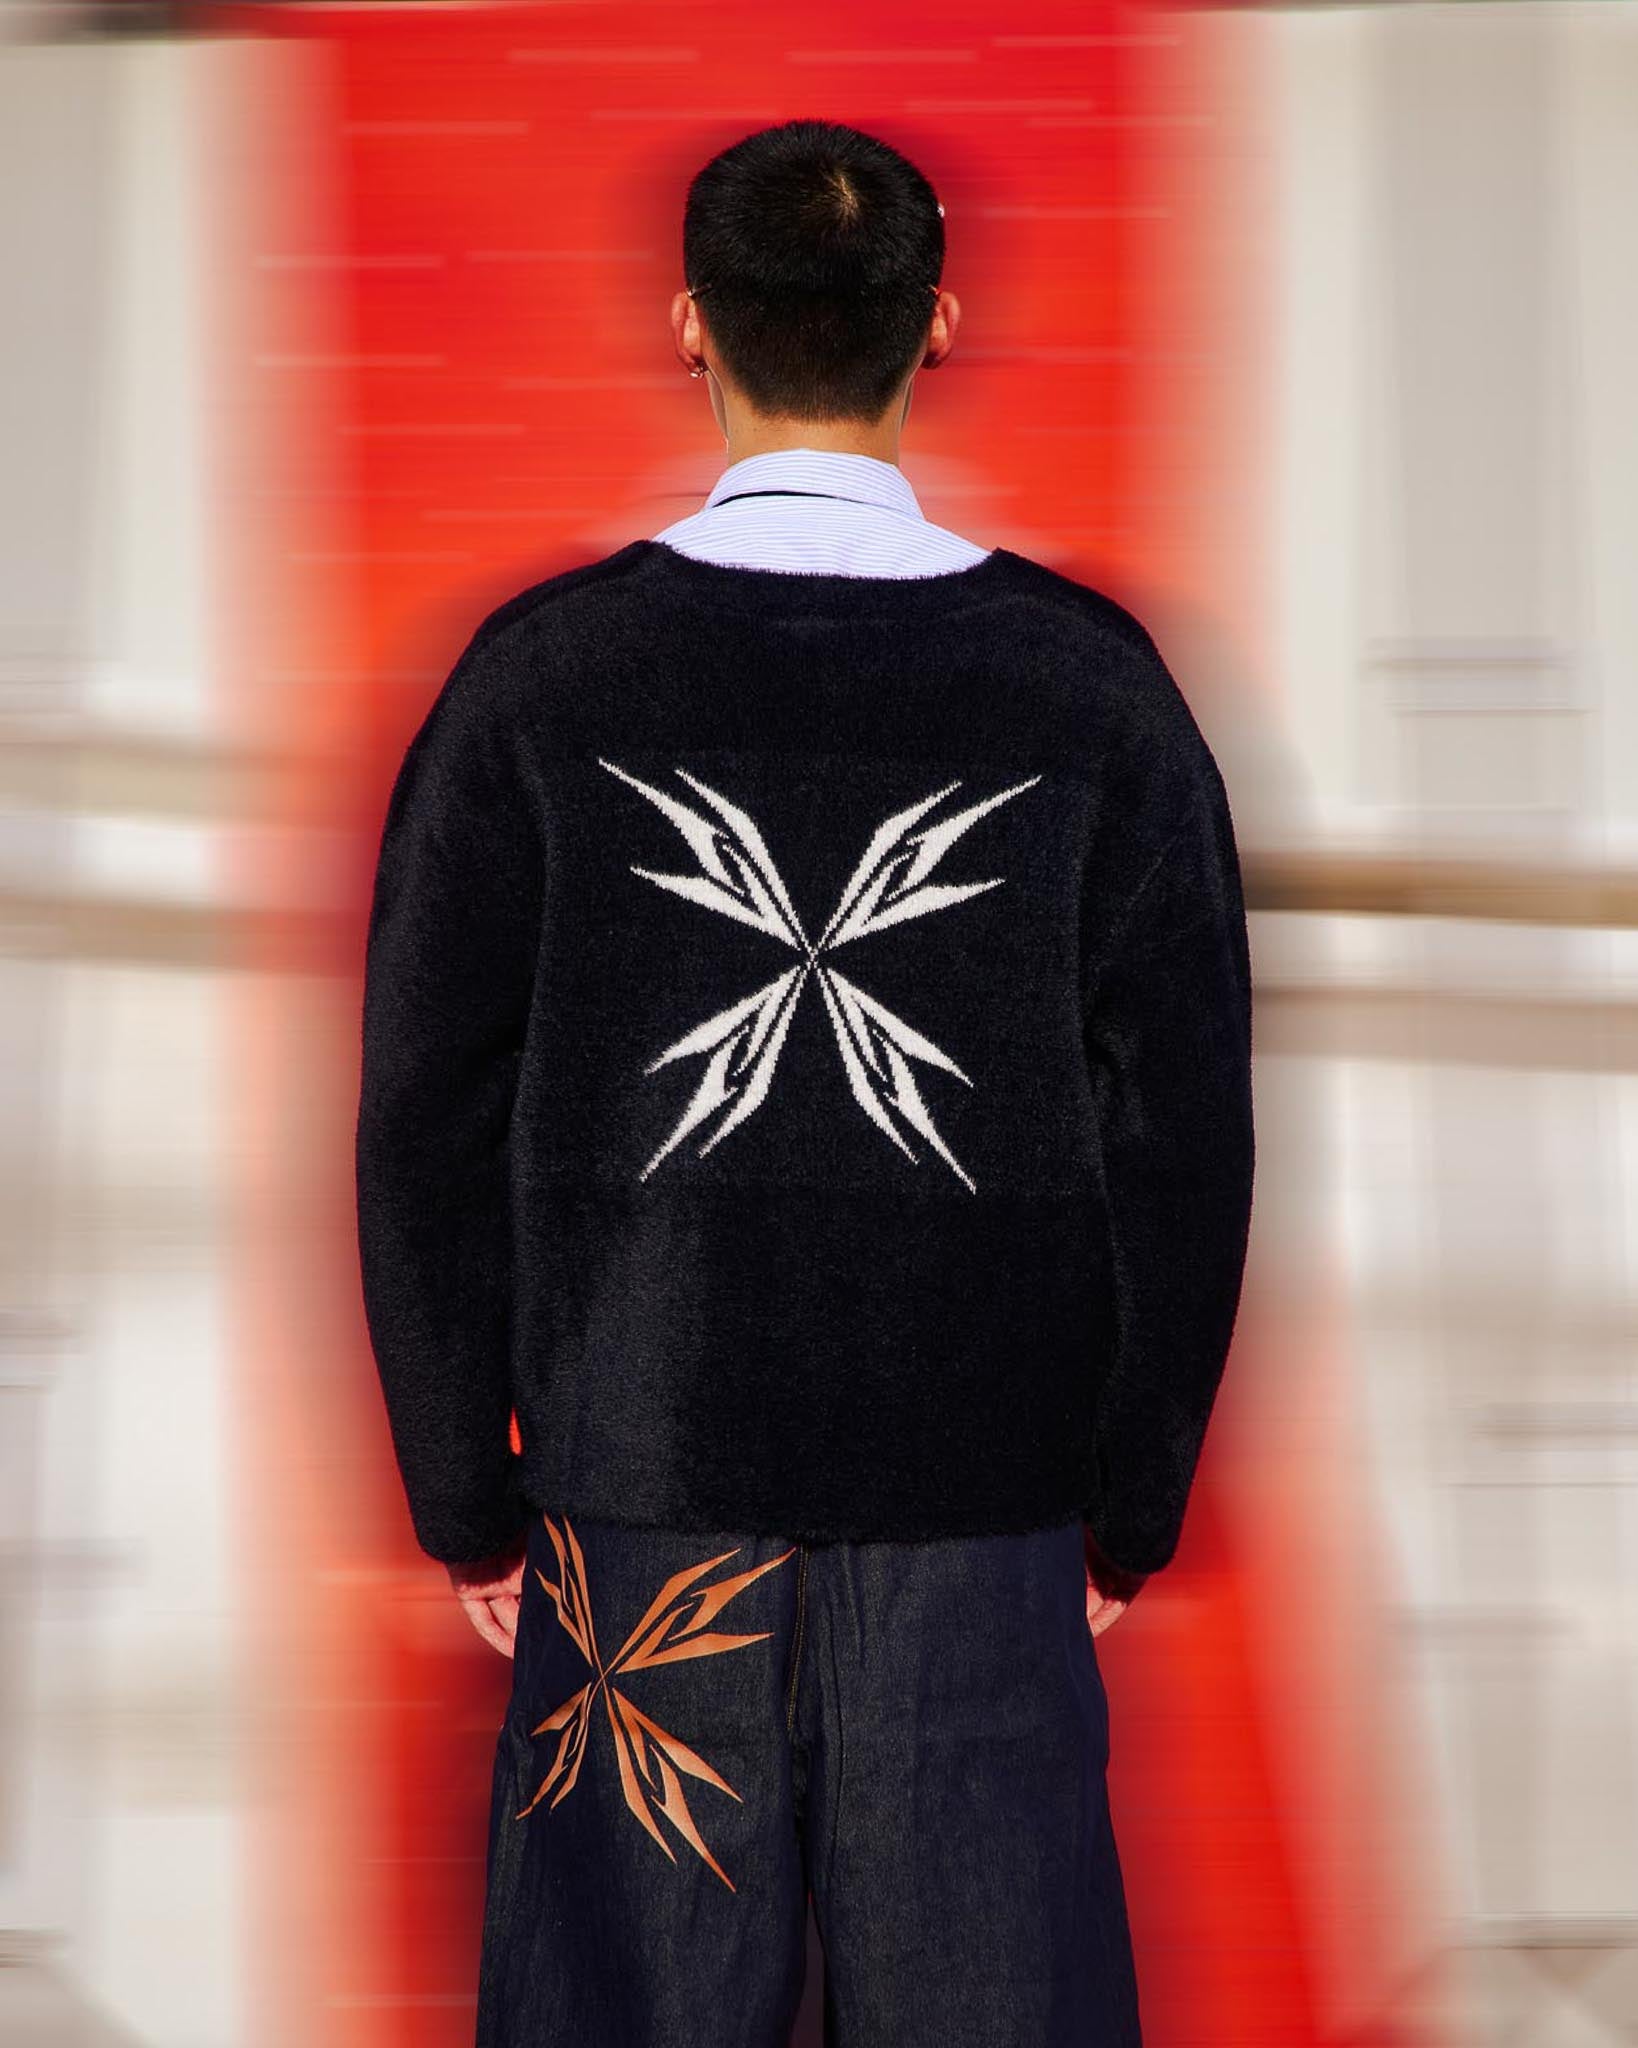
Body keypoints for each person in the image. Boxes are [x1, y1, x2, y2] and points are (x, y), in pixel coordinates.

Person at [355, 117, 1255, 2048]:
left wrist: (462, 1498)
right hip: (984, 1512)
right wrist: (1131, 1500)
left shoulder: (538, 683)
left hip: (635, 1519)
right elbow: (1182, 1130)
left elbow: (425, 1111)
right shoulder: (1093, 691)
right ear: (937, 323)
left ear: (690, 321)